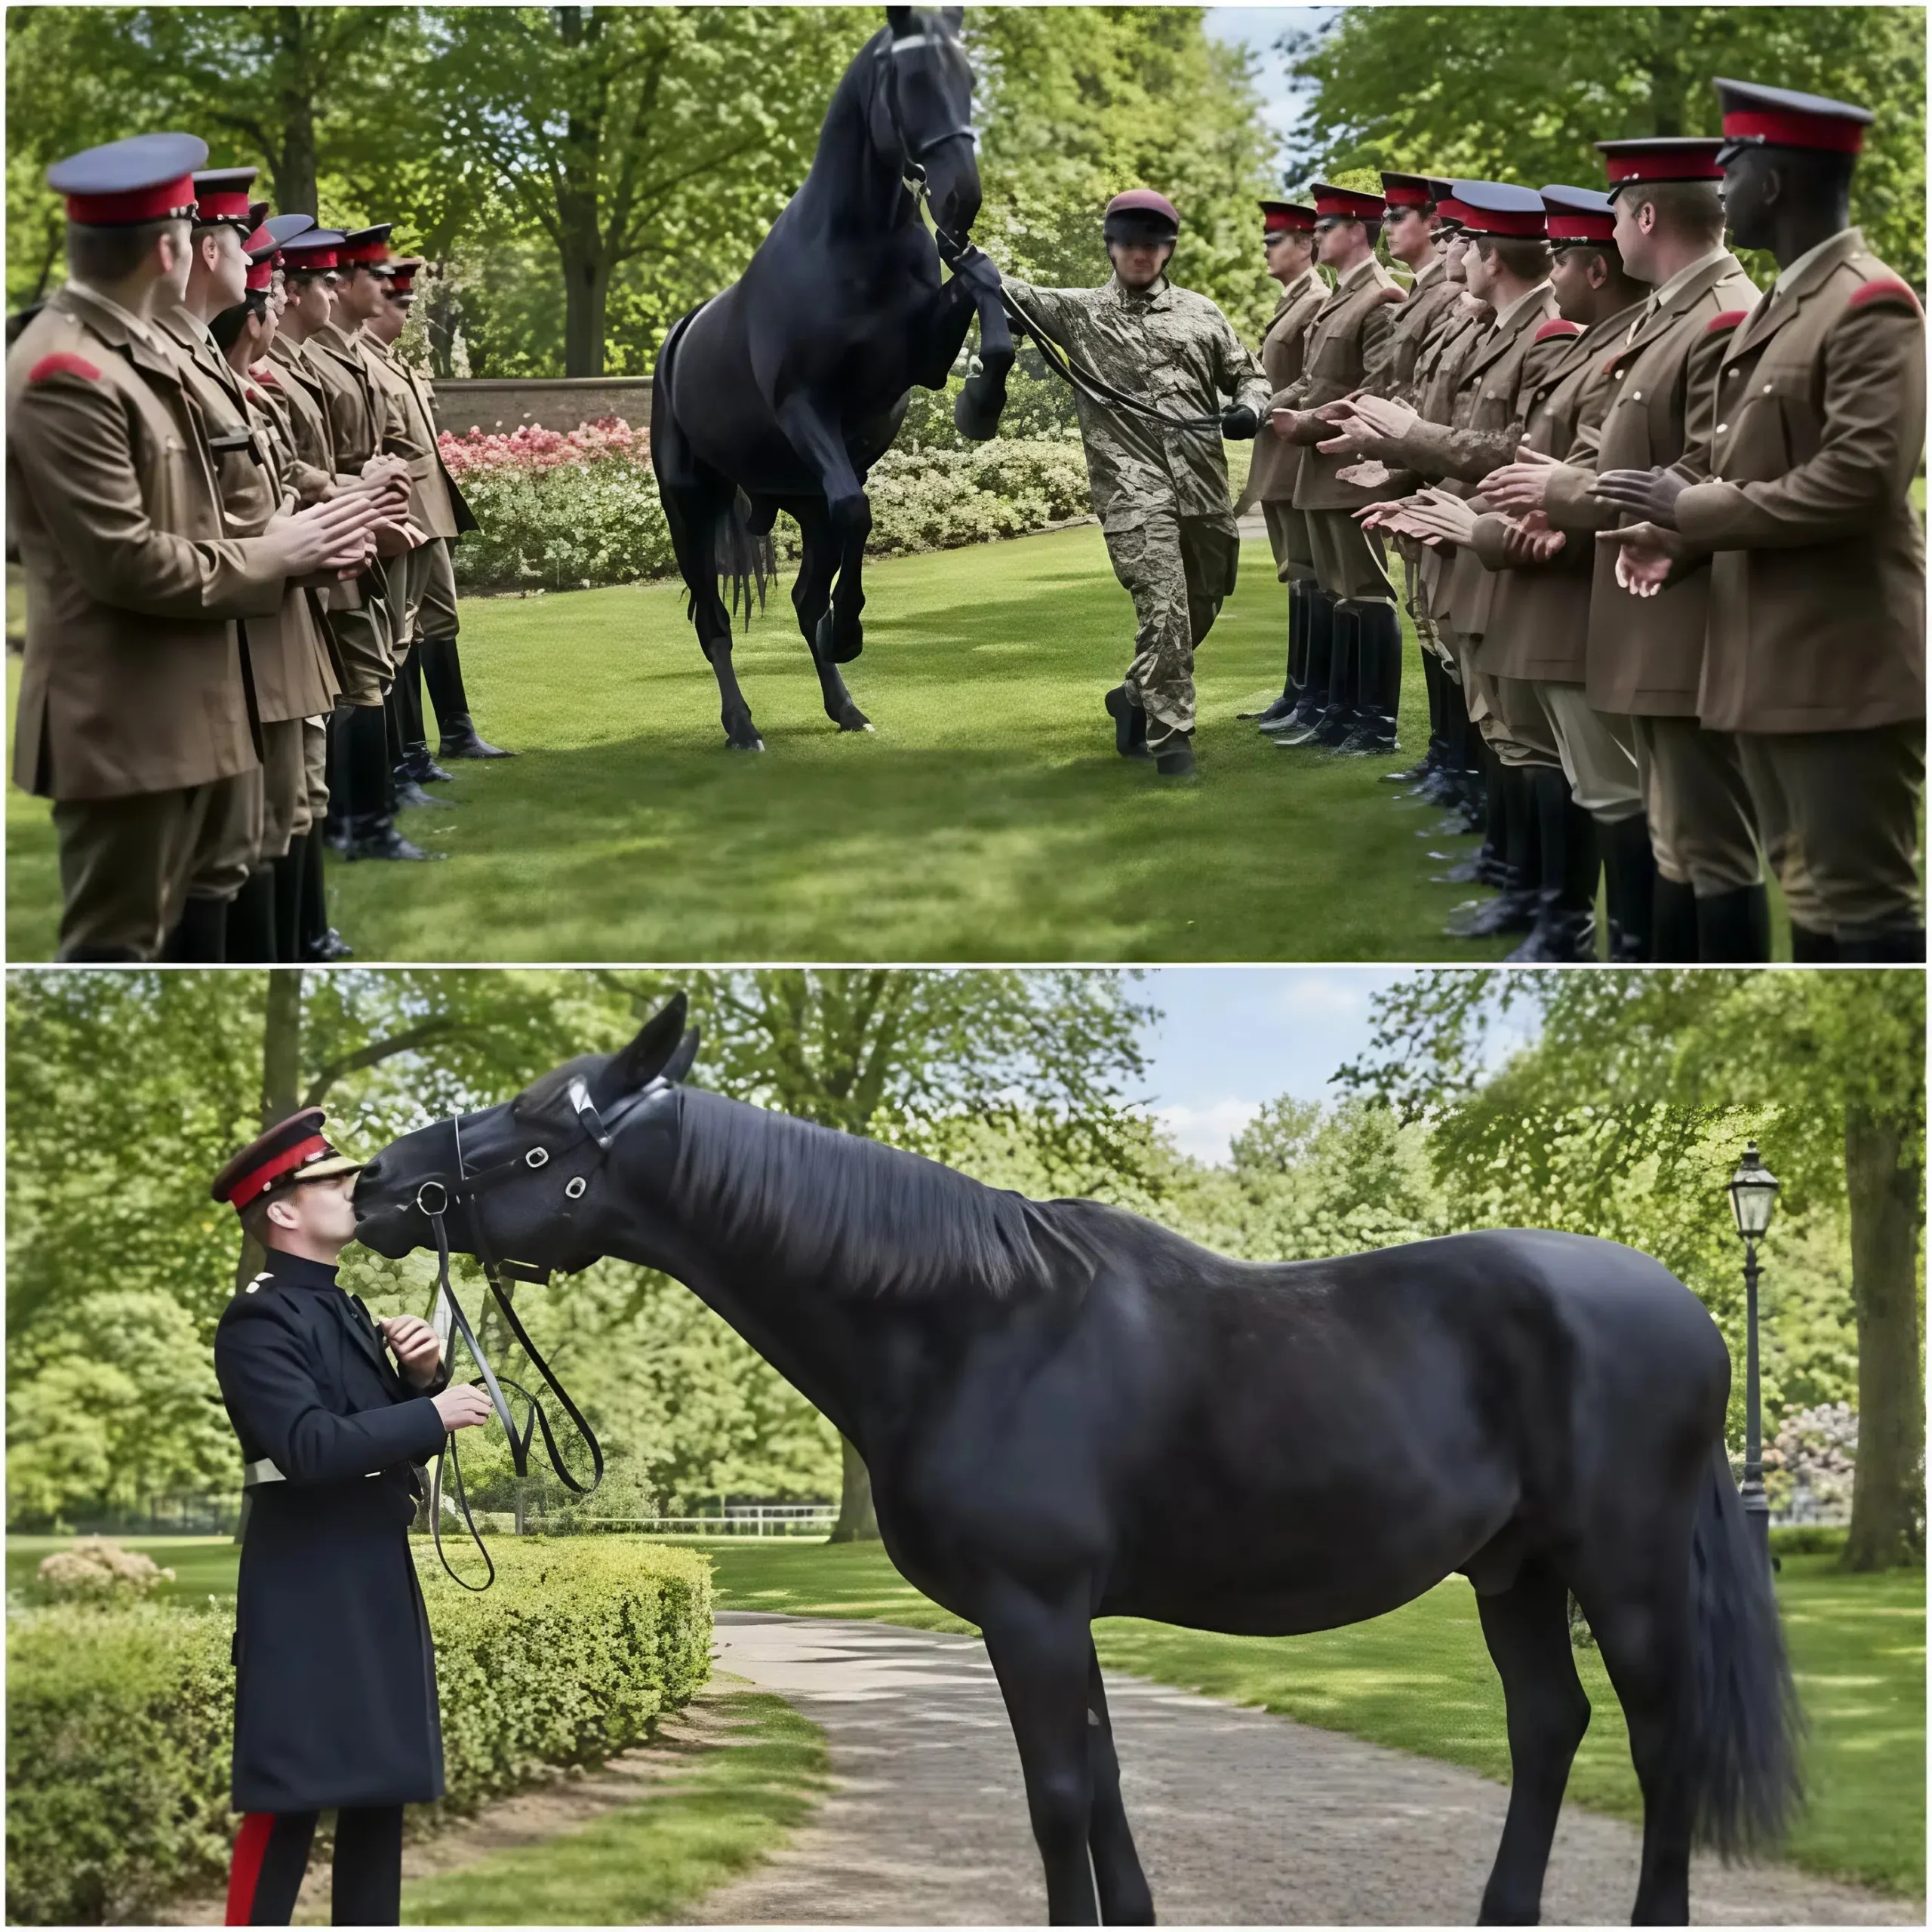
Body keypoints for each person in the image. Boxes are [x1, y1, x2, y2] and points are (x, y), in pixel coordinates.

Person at [6, 134, 377, 960]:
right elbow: (125, 558)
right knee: (120, 950)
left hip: (186, 701)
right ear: (171, 247)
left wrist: (297, 542)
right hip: (127, 719)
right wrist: (279, 554)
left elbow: (204, 515)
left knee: (207, 915)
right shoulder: (65, 369)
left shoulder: (129, 353)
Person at [1598, 78, 1926, 961]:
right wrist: (1675, 536)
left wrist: (1691, 509)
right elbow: (1740, 466)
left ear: (1773, 184)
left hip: (1839, 659)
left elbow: (1858, 481)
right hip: (1766, 656)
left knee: (1858, 904)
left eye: (1731, 169)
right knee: (1809, 893)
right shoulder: (1784, 309)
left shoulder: (1871, 304)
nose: (1720, 190)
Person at [1484, 137, 1764, 962]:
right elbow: (1617, 448)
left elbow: (1707, 466)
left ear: (1645, 215)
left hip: (1681, 611)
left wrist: (1558, 495)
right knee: (1680, 842)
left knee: (1708, 847)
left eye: (1613, 211)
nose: (1607, 229)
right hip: (1644, 609)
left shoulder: (1722, 314)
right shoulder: (1665, 312)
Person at [211, 1108, 491, 1927]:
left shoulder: (347, 1312)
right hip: (302, 1588)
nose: (349, 1187)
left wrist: (417, 1377)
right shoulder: (258, 1319)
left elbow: (385, 1450)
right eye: (328, 1180)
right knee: (286, 1801)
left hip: (371, 1575)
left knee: (379, 1800)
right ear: (284, 1210)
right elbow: (308, 1446)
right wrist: (431, 1411)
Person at [1339, 181, 1564, 941]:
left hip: (1504, 546)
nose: (1451, 254)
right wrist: (1403, 479)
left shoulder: (1546, 335)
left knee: (1532, 737)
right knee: (1500, 723)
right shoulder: (1494, 328)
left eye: (1462, 242)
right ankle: (1516, 878)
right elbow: (1460, 436)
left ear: (1490, 253)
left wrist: (1407, 447)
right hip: (1460, 534)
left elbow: (1511, 450)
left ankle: (1551, 910)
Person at [1002, 189, 1272, 777]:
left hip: (1202, 487)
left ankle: (1131, 697)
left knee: (1205, 597)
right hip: (1132, 491)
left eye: (1152, 243)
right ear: (1111, 247)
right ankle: (1173, 742)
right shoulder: (1076, 312)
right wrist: (941, 230)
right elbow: (998, 286)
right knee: (1166, 607)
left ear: (1168, 248)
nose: (1140, 254)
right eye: (1129, 243)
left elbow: (1250, 376)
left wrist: (1250, 409)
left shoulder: (1203, 313)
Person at [1457, 186, 1651, 960]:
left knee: (1610, 788)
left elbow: (1574, 471)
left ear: (1592, 270)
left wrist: (1485, 524)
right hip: (1536, 574)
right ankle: (1555, 913)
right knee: (1559, 764)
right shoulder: (1585, 344)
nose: (1553, 274)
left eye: (1564, 258)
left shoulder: (1596, 344)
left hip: (1570, 586)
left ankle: (1593, 934)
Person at [1265, 183, 1406, 755]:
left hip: (1352, 467)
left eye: (1325, 228)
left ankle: (1376, 726)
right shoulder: (1340, 298)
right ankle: (1339, 712)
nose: (1316, 236)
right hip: (1318, 469)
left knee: (1367, 593)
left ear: (1356, 231)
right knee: (1339, 593)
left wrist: (1307, 422)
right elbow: (1314, 380)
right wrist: (1276, 409)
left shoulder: (1381, 297)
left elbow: (1380, 389)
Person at [377, 257, 506, 764]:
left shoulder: (398, 366)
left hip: (431, 512)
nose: (407, 314)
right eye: (399, 303)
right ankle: (410, 751)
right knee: (403, 631)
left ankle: (455, 731)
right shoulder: (368, 365)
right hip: (403, 516)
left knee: (439, 621)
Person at [1234, 202, 1327, 725]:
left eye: (1277, 240)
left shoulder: (1316, 300)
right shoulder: (1294, 301)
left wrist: (1260, 409)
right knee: (1298, 578)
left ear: (1305, 245)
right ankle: (1298, 693)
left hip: (1298, 460)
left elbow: (1314, 379)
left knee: (1312, 578)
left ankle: (1312, 699)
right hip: (1279, 460)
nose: (1267, 249)